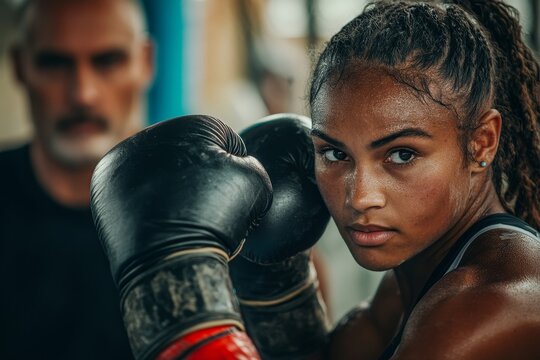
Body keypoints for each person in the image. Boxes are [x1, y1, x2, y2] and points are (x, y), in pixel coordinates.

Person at [305, 0, 540, 359]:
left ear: (482, 142)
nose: (360, 197)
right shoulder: (409, 278)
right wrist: (277, 278)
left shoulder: (491, 300)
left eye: (402, 155)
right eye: (335, 154)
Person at [0, 0, 153, 358]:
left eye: (107, 60)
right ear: (20, 66)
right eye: (55, 63)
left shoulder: (204, 202)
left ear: (145, 62)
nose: (83, 93)